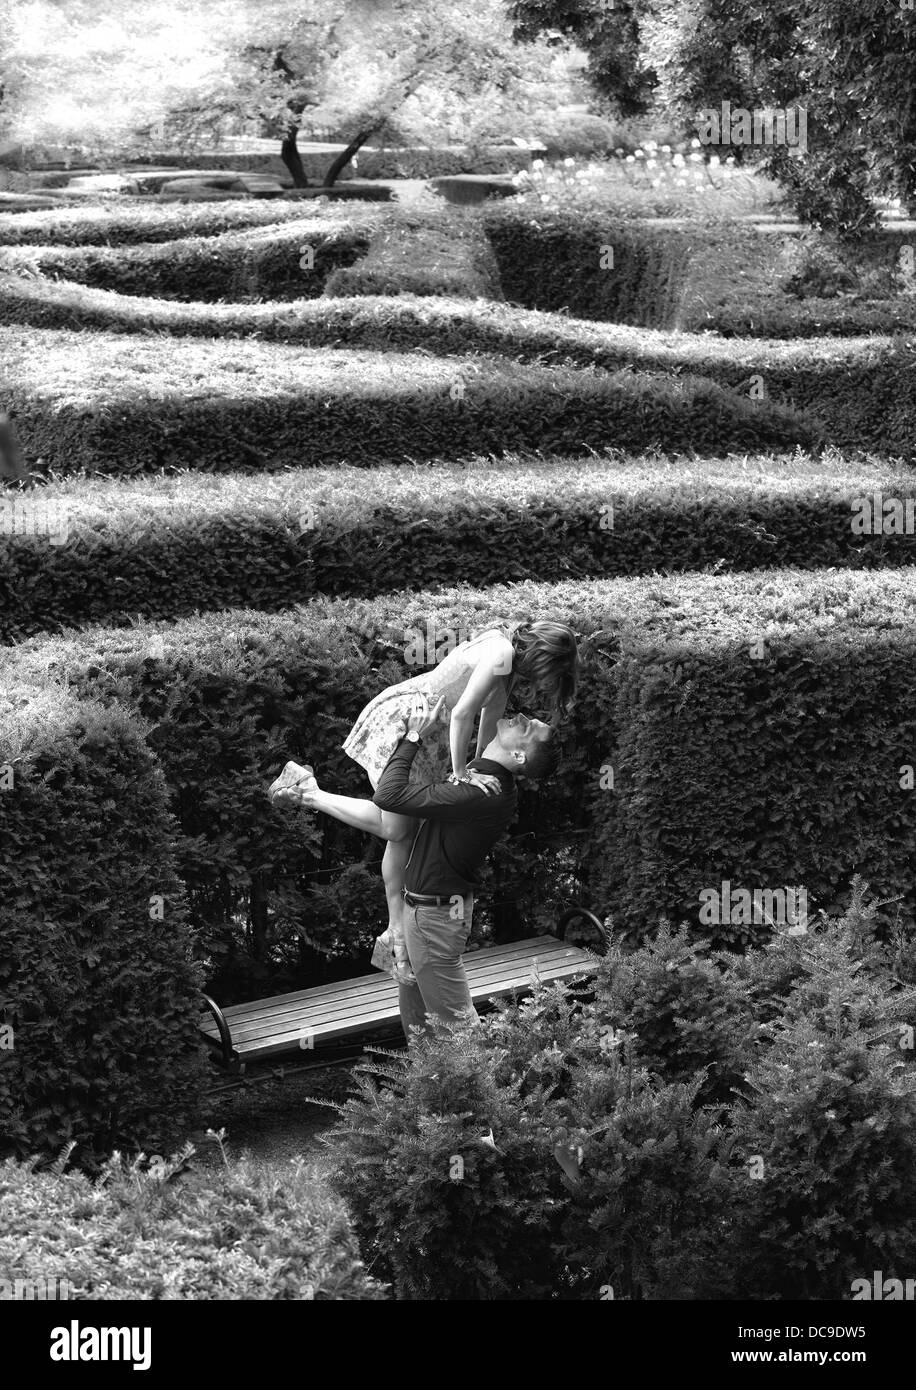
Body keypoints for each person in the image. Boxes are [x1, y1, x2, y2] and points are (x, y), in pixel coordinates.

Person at [272, 697, 560, 1039]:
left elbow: (390, 797)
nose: (523, 717)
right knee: (418, 1018)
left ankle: (472, 1088)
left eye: (528, 728)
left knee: (457, 1030)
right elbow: (475, 712)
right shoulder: (481, 774)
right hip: (422, 910)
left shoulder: (482, 792)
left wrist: (411, 738)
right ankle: (426, 1084)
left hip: (434, 918)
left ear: (519, 756)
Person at [311, 620, 578, 980]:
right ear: (544, 656)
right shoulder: (500, 651)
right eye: (548, 674)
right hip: (413, 719)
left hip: (433, 732)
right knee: (395, 826)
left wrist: (478, 763)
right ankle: (310, 793)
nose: (542, 684)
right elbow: (463, 712)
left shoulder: (509, 662)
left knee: (404, 831)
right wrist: (462, 773)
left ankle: (396, 932)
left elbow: (491, 716)